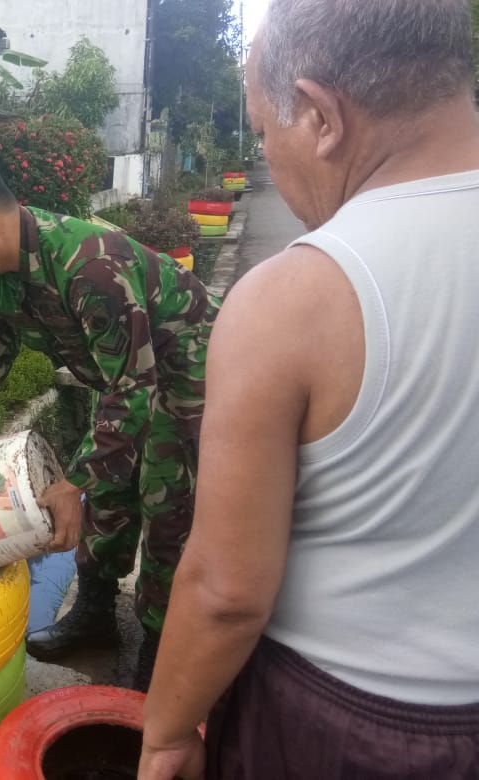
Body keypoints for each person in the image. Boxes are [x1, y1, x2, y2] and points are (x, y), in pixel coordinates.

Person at [139, 1, 479, 777]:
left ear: (322, 116)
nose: (266, 155)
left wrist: (166, 731)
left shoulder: (293, 300)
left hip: (346, 723)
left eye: (263, 130)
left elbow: (226, 590)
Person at [0, 156, 219, 689]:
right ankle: (94, 616)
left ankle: (161, 652)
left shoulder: (90, 267)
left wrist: (74, 483)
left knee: (166, 506)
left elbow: (136, 388)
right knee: (109, 492)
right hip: (124, 379)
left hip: (187, 376)